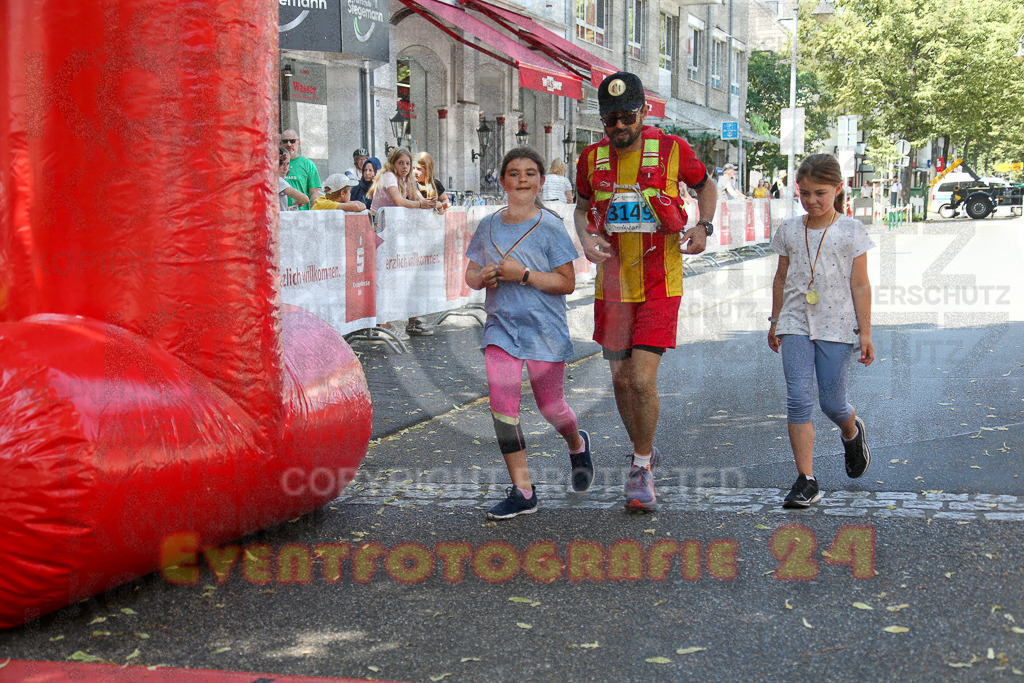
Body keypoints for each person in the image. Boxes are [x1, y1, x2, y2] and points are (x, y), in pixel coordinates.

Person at [573, 71, 718, 511]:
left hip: (660, 283)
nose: (619, 126)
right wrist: (586, 238)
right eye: (610, 119)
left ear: (643, 112)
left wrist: (703, 226)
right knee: (620, 382)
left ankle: (640, 466)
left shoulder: (673, 149)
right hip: (612, 287)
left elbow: (706, 185)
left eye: (627, 117)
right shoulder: (590, 159)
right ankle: (643, 449)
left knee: (640, 379)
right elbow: (582, 208)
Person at [465, 147, 593, 520]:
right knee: (502, 410)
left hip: (544, 331)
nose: (522, 179)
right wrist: (482, 277)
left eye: (530, 173)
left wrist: (522, 275)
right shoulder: (488, 225)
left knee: (552, 409)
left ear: (541, 181)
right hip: (501, 330)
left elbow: (567, 283)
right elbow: (470, 274)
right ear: (502, 181)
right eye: (514, 173)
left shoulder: (550, 226)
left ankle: (576, 442)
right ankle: (523, 492)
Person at [767, 153, 874, 509]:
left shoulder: (852, 230)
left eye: (820, 193)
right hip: (795, 322)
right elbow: (781, 277)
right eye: (805, 193)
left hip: (837, 325)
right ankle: (806, 480)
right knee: (798, 399)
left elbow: (860, 284)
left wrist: (865, 333)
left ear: (838, 189)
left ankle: (851, 431)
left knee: (832, 403)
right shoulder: (789, 230)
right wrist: (775, 320)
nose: (811, 200)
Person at [369, 147, 437, 338]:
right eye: (401, 163)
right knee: (387, 277)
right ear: (393, 163)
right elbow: (399, 201)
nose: (405, 167)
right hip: (380, 231)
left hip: (396, 233)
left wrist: (435, 205)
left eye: (408, 163)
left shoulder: (406, 179)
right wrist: (421, 204)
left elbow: (416, 198)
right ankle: (384, 323)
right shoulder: (388, 176)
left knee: (407, 274)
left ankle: (412, 320)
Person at [281, 129, 321, 209]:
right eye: (285, 141)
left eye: (292, 141)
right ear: (280, 144)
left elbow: (314, 194)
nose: (289, 144)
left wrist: (314, 212)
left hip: (301, 213)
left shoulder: (308, 164)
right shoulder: (273, 164)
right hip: (279, 213)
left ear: (299, 143)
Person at [277, 145, 308, 211]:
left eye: (287, 164)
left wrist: (287, 209)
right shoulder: (277, 180)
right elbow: (305, 199)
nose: (285, 168)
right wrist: (297, 201)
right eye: (281, 163)